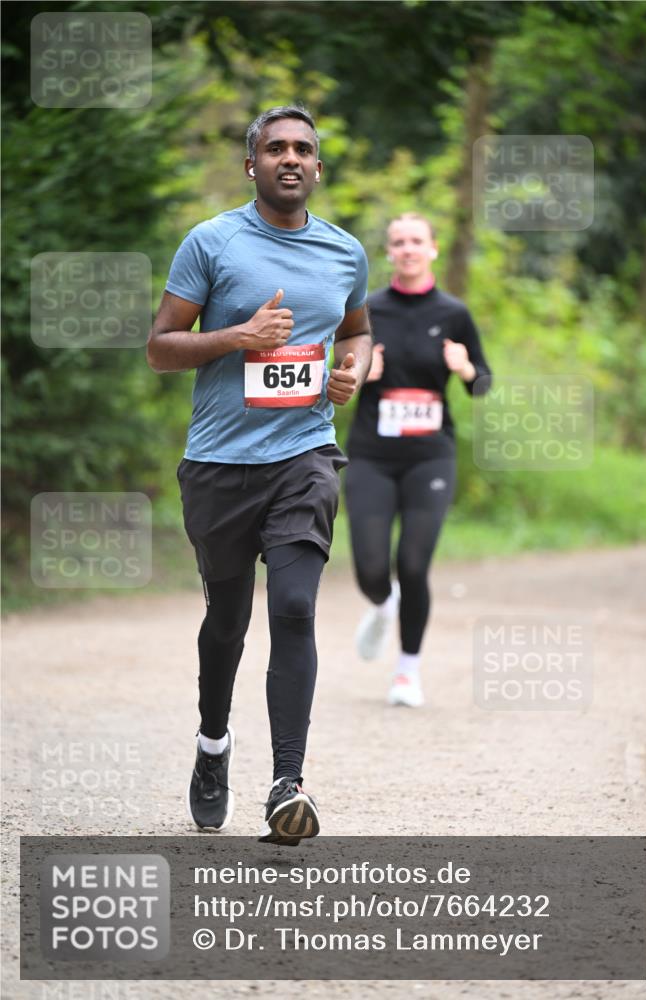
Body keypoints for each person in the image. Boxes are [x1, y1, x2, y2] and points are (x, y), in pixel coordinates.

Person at [146, 105, 371, 844]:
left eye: (303, 148)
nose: (289, 158)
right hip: (219, 465)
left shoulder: (344, 253)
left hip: (304, 456)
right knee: (227, 621)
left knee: (296, 608)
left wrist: (353, 370)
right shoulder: (212, 242)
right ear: (252, 165)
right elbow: (160, 347)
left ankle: (286, 783)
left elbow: (358, 331)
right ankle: (213, 743)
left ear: (318, 168)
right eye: (275, 148)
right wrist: (237, 336)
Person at [345, 212, 491, 707]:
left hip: (430, 457)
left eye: (416, 241)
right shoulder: (365, 311)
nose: (407, 249)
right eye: (398, 242)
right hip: (372, 454)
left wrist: (465, 368)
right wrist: (361, 373)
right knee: (370, 567)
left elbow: (482, 383)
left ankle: (407, 671)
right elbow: (336, 377)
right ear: (389, 252)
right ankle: (383, 605)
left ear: (432, 249)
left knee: (412, 563)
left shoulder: (454, 313)